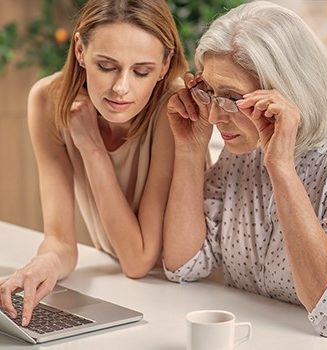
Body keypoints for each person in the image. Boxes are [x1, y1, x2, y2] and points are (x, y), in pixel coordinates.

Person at [163, 0, 327, 337]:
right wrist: (189, 148)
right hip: (268, 337)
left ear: (288, 90)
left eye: (231, 97)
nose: (215, 116)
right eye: (211, 93)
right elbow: (184, 264)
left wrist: (281, 167)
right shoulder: (243, 144)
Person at [0, 0, 187, 326]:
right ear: (80, 50)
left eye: (141, 71)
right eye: (106, 66)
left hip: (188, 294)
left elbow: (139, 260)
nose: (121, 88)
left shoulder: (173, 106)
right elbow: (60, 239)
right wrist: (43, 264)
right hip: (130, 292)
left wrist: (90, 145)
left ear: (164, 64)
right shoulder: (48, 100)